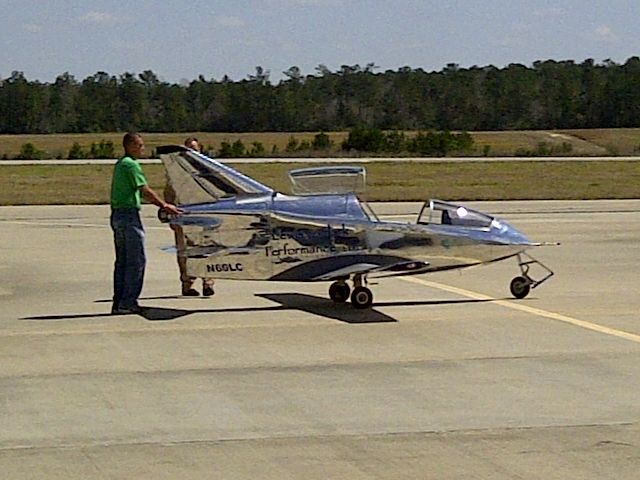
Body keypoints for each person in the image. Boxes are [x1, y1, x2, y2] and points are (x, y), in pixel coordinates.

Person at [110, 132, 182, 314]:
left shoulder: (121, 164)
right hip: (128, 215)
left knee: (123, 261)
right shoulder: (131, 165)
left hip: (118, 215)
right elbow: (144, 190)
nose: (142, 149)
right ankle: (128, 302)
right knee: (136, 261)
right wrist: (164, 205)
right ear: (130, 146)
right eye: (139, 145)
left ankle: (119, 302)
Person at [163, 136, 215, 297]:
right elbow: (169, 192)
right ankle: (187, 284)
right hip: (183, 215)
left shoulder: (207, 169)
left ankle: (208, 282)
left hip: (204, 216)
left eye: (195, 149)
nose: (192, 152)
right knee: (184, 251)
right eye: (189, 149)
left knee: (207, 249)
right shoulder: (177, 171)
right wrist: (170, 214)